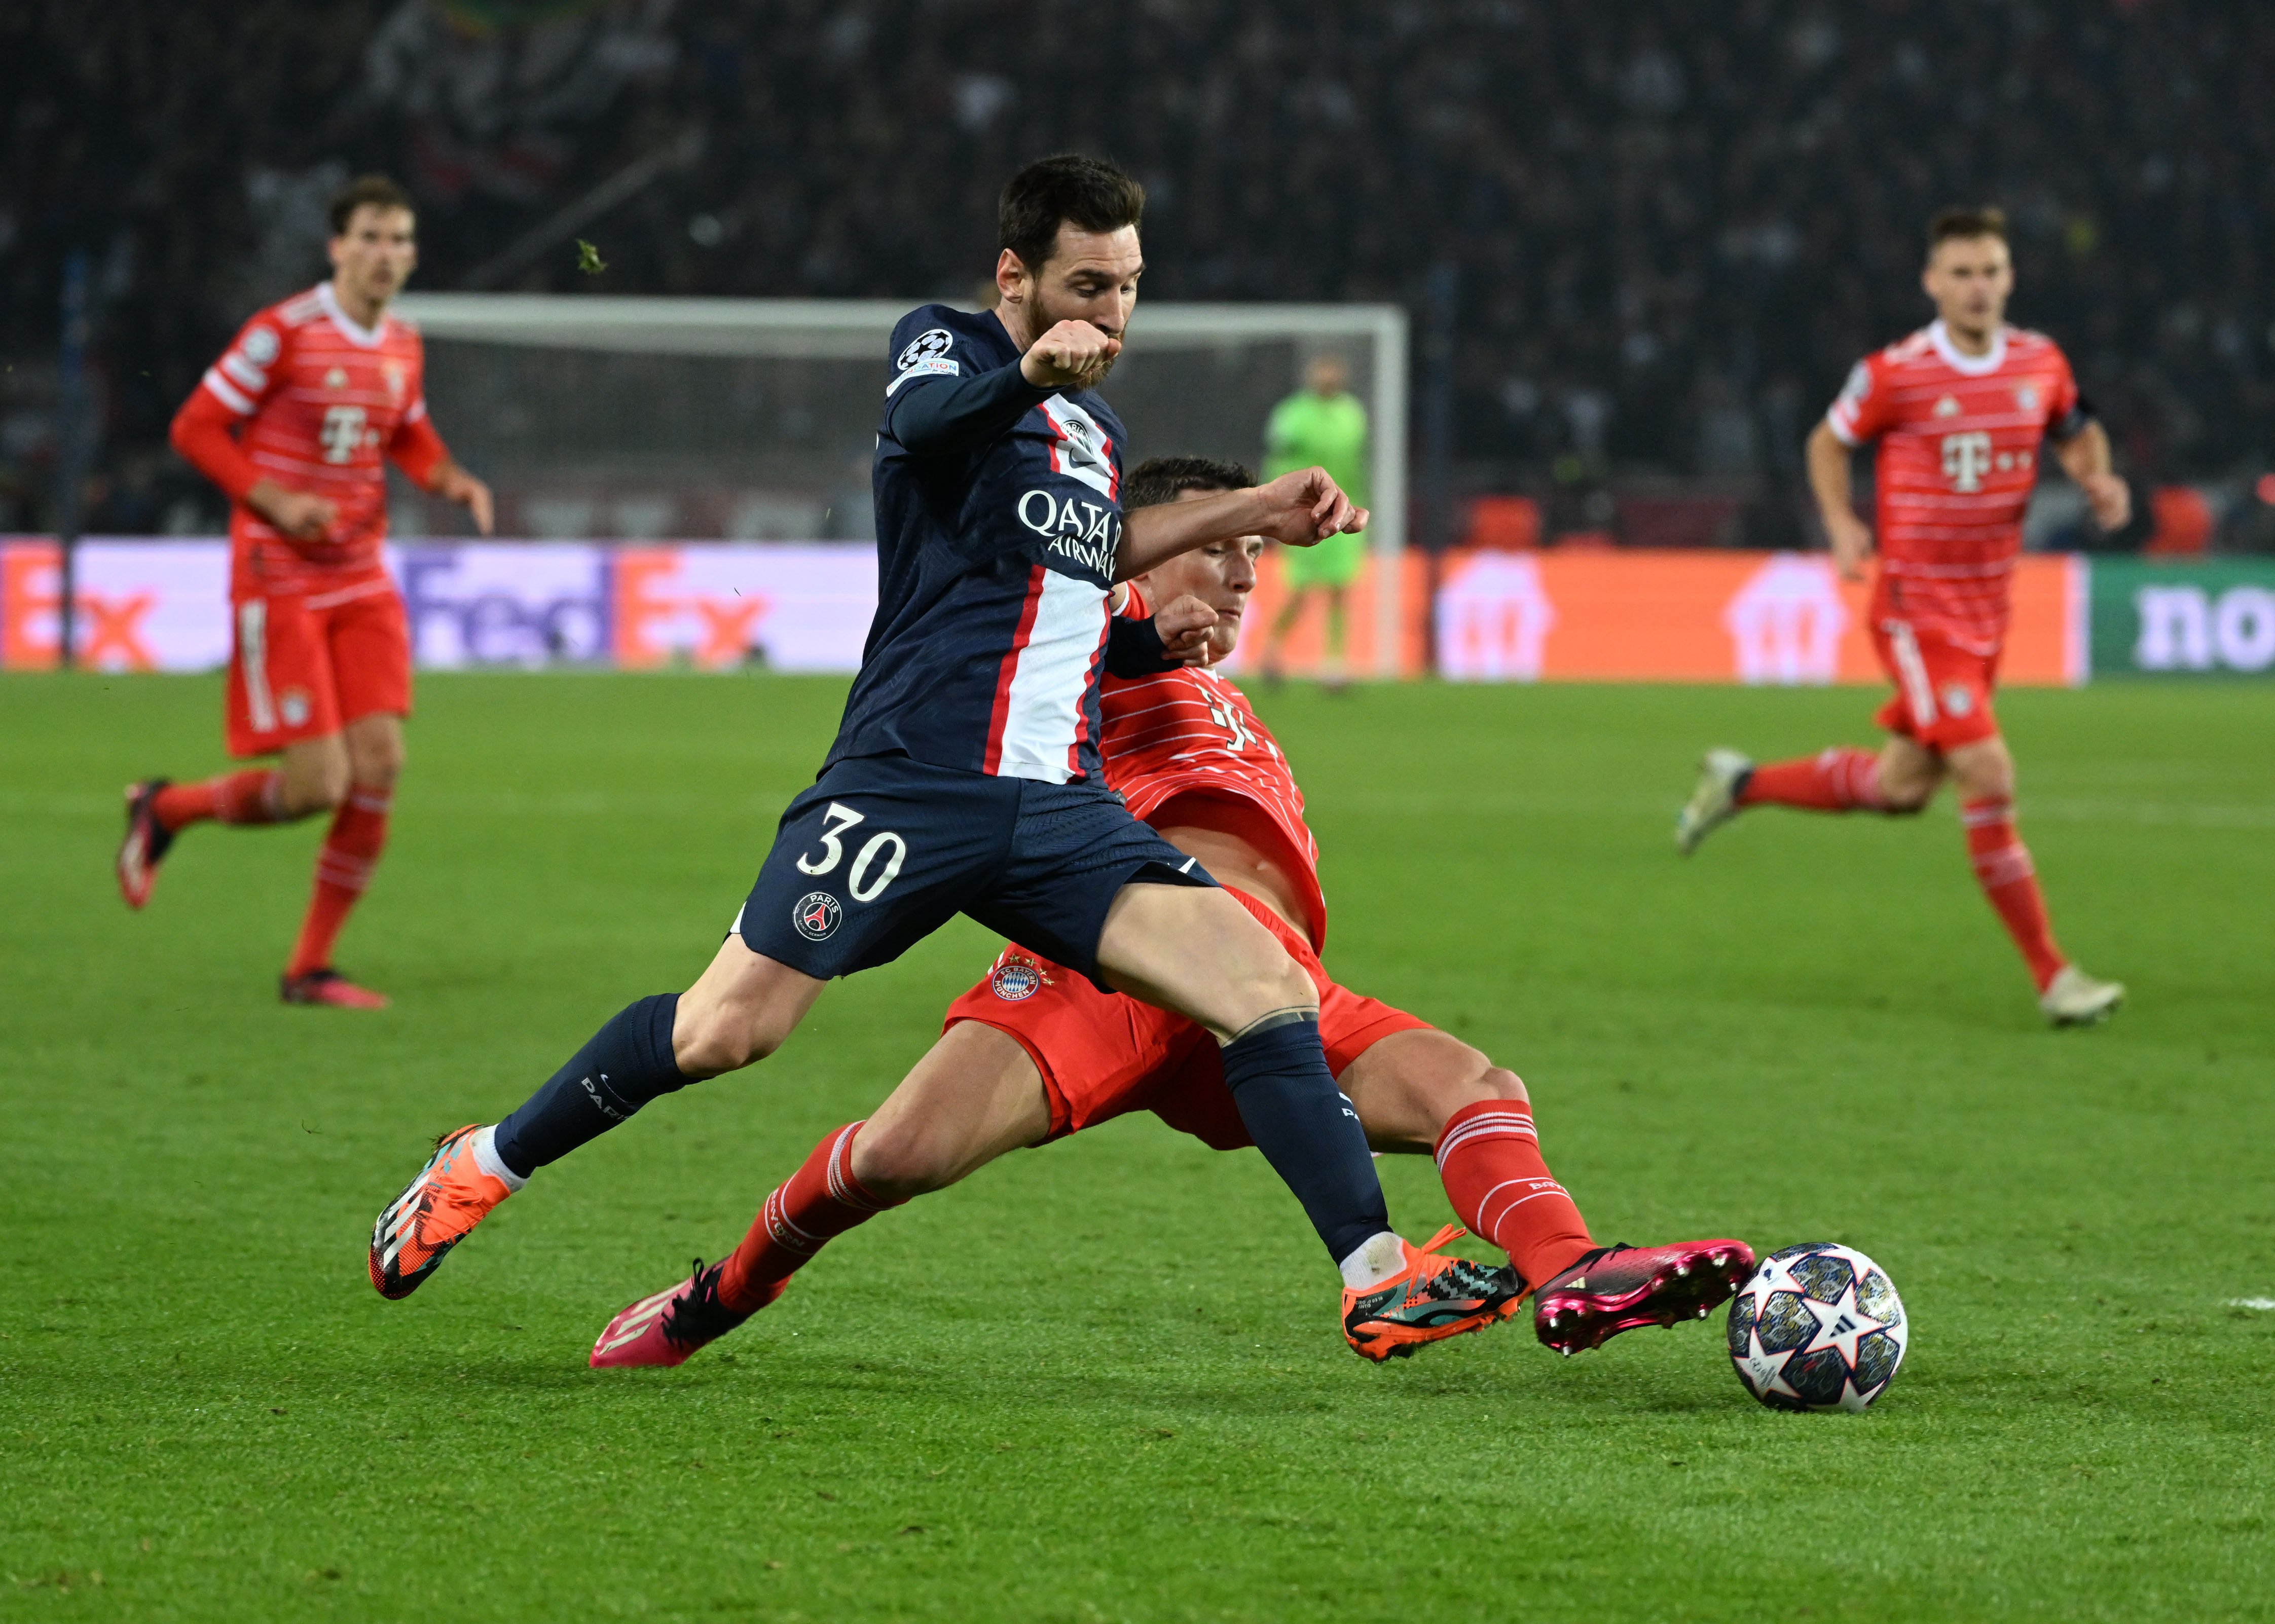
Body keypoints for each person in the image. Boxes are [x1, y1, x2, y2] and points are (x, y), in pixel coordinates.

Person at [368, 156, 1515, 1361]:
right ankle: (481, 1160)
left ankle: (1374, 1276)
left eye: (1129, 287)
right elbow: (922, 425)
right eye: (1087, 283)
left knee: (1265, 986)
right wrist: (1024, 370)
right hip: (908, 783)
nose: (1112, 312)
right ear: (1015, 274)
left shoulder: (1097, 429)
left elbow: (1095, 552)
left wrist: (1249, 510)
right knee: (726, 1031)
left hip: (1056, 807)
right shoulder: (946, 348)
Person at [588, 455, 1753, 1371]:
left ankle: (1572, 1271)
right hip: (1107, 972)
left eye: (1254, 552)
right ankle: (725, 1289)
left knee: (1478, 1088)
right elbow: (1030, 601)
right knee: (897, 1154)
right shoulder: (1073, 645)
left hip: (1266, 992)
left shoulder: (1213, 680)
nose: (1245, 573)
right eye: (1222, 547)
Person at [1676, 206, 2129, 1027]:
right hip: (1917, 609)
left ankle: (1739, 782)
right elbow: (1825, 440)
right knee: (1987, 771)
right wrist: (1843, 524)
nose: (1976, 286)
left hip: (1990, 605)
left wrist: (2097, 479)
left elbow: (2076, 429)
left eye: (1989, 270)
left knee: (1901, 786)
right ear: (1931, 283)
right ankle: (2053, 975)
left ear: (2008, 277)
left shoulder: (2038, 361)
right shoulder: (1896, 371)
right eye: (1960, 272)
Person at [116, 174, 493, 1008]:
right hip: (280, 575)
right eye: (370, 237)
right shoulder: (282, 333)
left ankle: (309, 967)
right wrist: (276, 499)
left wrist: (450, 478)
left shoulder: (402, 340)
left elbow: (405, 431)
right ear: (337, 247)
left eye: (400, 239)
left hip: (360, 573)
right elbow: (195, 427)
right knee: (317, 785)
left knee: (382, 761)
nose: (386, 254)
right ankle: (168, 806)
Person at [1257, 354, 1370, 688]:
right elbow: (1278, 463)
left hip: (1344, 510)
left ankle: (1334, 664)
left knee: (1340, 590)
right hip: (1304, 513)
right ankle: (1272, 652)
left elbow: (1357, 467)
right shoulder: (1291, 415)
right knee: (1300, 592)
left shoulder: (1353, 415)